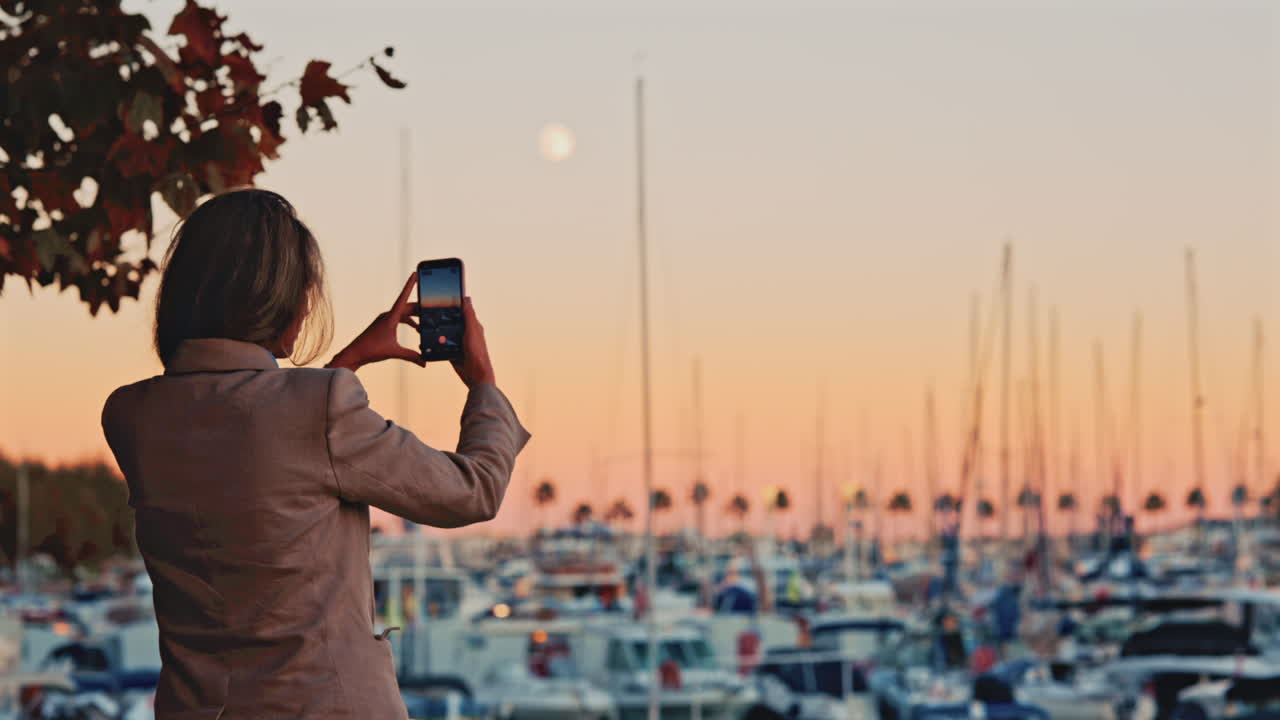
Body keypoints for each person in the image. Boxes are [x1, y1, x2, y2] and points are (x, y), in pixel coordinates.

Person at [101, 189, 530, 719]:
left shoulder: (130, 416)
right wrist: (483, 384)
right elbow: (474, 491)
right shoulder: (319, 408)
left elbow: (256, 450)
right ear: (272, 299)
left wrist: (344, 366)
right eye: (303, 289)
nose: (306, 305)